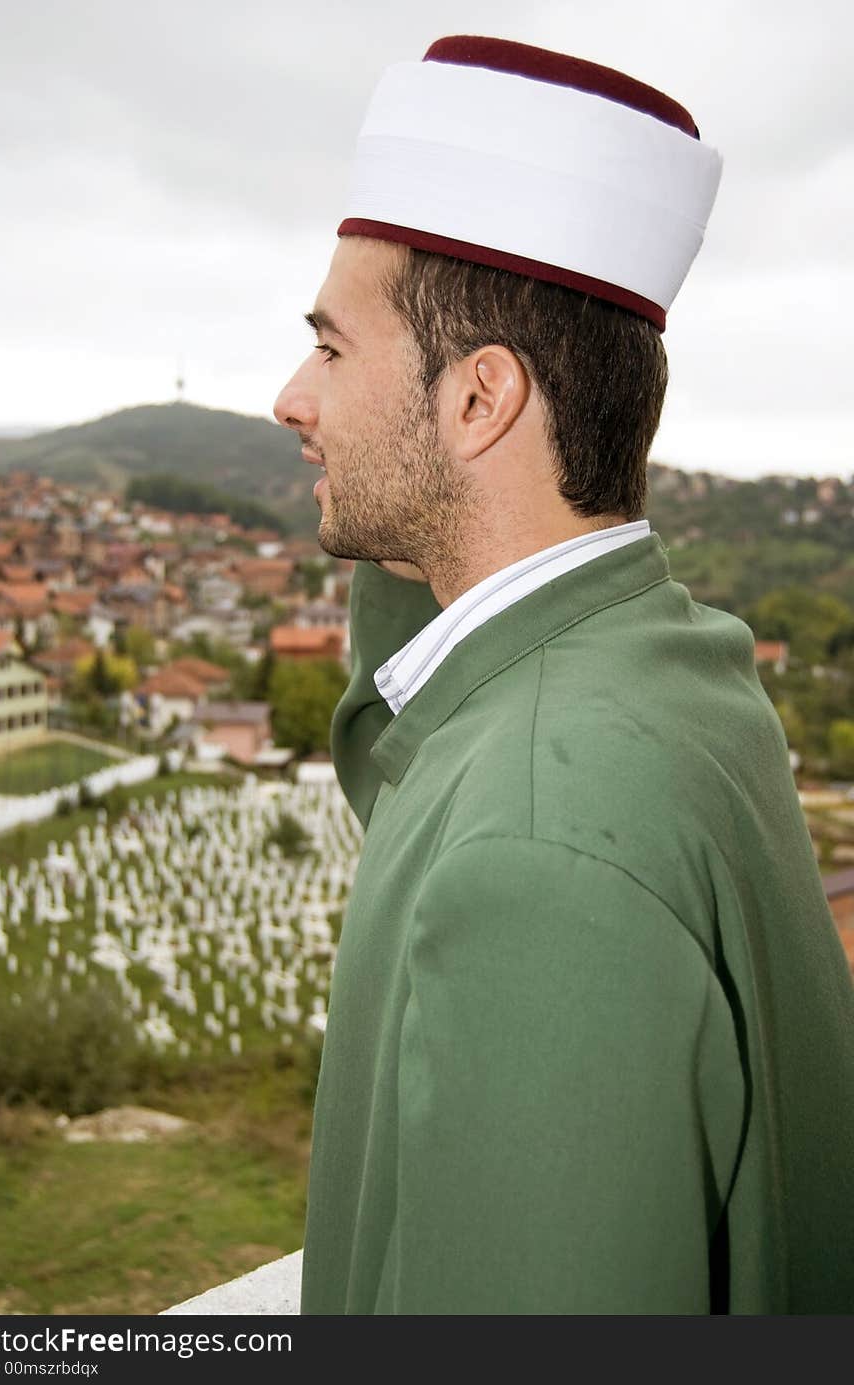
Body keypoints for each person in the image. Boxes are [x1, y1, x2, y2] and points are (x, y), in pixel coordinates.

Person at [273, 35, 854, 1314]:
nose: (287, 396)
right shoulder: (669, 660)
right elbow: (434, 724)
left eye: (329, 347)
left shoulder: (530, 859)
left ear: (479, 400)